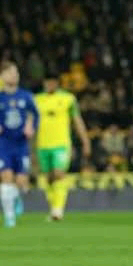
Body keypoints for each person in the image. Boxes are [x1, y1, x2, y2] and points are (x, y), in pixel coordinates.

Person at [35, 71, 91, 221]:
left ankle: (58, 210)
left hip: (61, 144)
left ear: (57, 83)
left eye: (53, 81)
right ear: (44, 83)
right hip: (42, 144)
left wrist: (85, 141)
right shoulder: (36, 100)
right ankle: (53, 207)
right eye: (48, 82)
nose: (50, 84)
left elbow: (77, 121)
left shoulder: (68, 99)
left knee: (59, 174)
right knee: (48, 178)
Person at [0, 61, 39, 227]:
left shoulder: (26, 96)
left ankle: (16, 197)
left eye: (15, 72)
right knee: (6, 178)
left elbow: (36, 115)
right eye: (10, 72)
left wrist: (32, 126)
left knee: (22, 181)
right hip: (3, 144)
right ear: (2, 76)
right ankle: (9, 218)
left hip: (21, 144)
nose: (14, 75)